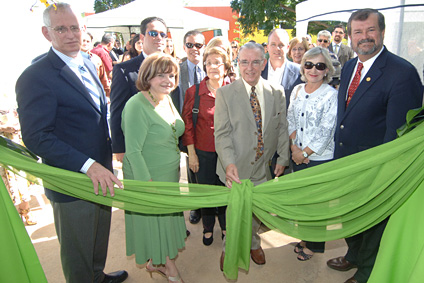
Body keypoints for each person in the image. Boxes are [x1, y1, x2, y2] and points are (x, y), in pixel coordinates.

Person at [15, 3, 127, 283]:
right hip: (72, 182)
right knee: (77, 254)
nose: (70, 34)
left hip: (101, 174)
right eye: (61, 28)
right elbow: (36, 136)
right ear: (46, 32)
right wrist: (88, 166)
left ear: (83, 28)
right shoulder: (35, 76)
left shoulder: (88, 61)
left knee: (98, 239)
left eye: (74, 27)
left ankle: (98, 276)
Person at [326, 9, 423, 283]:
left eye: (370, 30)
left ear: (382, 32)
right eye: (358, 32)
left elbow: (399, 134)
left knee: (373, 221)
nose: (364, 37)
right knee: (350, 215)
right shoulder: (348, 67)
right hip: (347, 163)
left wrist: (383, 173)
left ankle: (367, 272)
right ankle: (354, 255)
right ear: (350, 36)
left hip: (376, 168)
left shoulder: (401, 73)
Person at [215, 42, 290, 271]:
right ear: (237, 64)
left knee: (256, 211)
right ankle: (229, 248)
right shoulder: (225, 93)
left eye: (255, 61)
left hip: (263, 167)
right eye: (244, 62)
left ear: (263, 63)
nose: (250, 67)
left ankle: (254, 243)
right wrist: (228, 164)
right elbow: (222, 134)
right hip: (234, 167)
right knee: (235, 211)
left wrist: (283, 157)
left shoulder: (277, 92)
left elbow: (281, 128)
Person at [121, 53, 186, 283]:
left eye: (172, 75)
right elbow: (133, 152)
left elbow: (172, 130)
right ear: (147, 76)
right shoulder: (136, 105)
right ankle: (168, 265)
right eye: (161, 75)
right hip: (149, 178)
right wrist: (147, 186)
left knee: (166, 221)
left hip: (169, 176)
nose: (168, 80)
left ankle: (157, 261)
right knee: (156, 221)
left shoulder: (165, 98)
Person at [287, 46, 337, 261]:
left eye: (319, 66)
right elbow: (290, 119)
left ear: (327, 70)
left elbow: (327, 130)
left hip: (320, 158)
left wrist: (304, 153)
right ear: (303, 67)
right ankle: (306, 236)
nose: (313, 70)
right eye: (309, 65)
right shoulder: (297, 90)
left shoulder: (331, 94)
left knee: (317, 204)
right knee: (303, 201)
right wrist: (293, 148)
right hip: (297, 154)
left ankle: (315, 245)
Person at [181, 47, 231, 246]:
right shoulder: (194, 92)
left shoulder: (233, 89)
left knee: (227, 192)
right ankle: (208, 228)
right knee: (207, 193)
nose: (213, 67)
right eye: (209, 63)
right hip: (203, 154)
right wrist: (192, 154)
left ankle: (226, 227)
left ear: (225, 67)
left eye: (217, 62)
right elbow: (187, 126)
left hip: (227, 154)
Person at [110, 16, 169, 163]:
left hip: (166, 150)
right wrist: (119, 148)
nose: (159, 38)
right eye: (153, 33)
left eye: (163, 34)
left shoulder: (171, 68)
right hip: (137, 150)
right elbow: (117, 111)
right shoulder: (124, 70)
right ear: (142, 37)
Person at [176, 30, 206, 225]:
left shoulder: (212, 67)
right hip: (186, 127)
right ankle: (196, 206)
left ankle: (213, 206)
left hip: (208, 127)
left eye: (198, 45)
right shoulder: (177, 70)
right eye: (189, 45)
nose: (194, 49)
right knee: (192, 169)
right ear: (184, 46)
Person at [261, 28, 302, 108]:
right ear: (268, 47)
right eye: (273, 44)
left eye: (281, 45)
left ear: (287, 47)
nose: (277, 48)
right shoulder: (258, 71)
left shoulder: (299, 72)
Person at [81, 31, 110, 98]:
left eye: (88, 41)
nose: (85, 43)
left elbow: (103, 78)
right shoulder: (72, 58)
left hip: (95, 94)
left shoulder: (96, 59)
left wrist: (107, 95)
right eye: (83, 41)